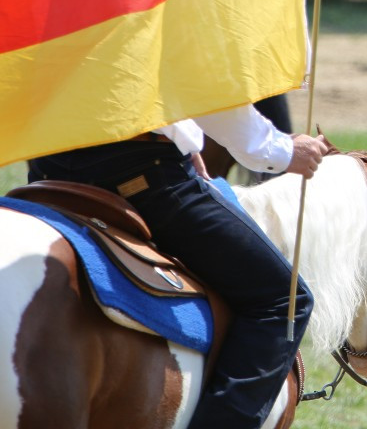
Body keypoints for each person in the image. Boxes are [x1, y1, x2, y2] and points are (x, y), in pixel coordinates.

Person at [27, 104, 331, 429]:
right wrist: (284, 150)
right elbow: (210, 88)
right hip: (138, 175)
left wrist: (184, 136)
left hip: (46, 171)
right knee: (285, 299)